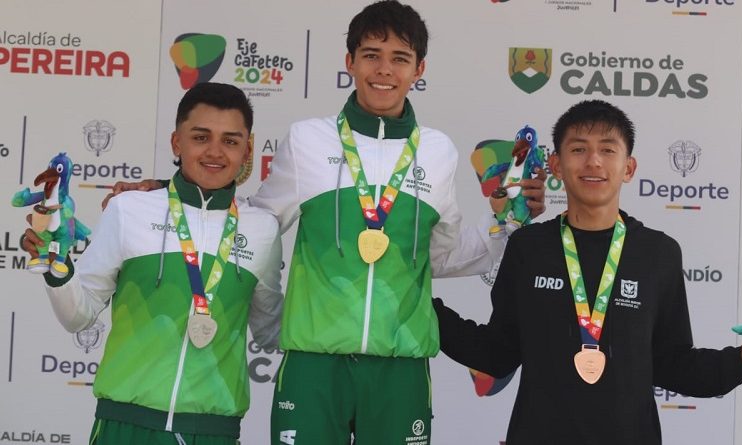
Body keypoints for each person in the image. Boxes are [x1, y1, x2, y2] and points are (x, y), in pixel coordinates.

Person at [103, 2, 547, 443]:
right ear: (350, 61)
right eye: (371, 55)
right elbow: (254, 220)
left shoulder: (437, 151)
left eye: (400, 58)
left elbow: (440, 256)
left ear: (419, 69)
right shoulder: (308, 140)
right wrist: (172, 193)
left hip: (400, 367)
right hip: (314, 365)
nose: (384, 70)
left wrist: (504, 221)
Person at [432, 99, 742, 445]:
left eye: (607, 149)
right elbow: (497, 354)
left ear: (628, 168)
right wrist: (422, 305)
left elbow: (672, 364)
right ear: (556, 166)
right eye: (578, 149)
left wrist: (741, 361)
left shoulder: (658, 253)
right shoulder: (528, 248)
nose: (593, 161)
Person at [22, 82, 283, 445]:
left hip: (214, 432)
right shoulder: (129, 209)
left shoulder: (262, 229)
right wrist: (58, 268)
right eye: (201, 137)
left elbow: (272, 330)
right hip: (124, 426)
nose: (215, 152)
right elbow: (78, 317)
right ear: (177, 143)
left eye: (230, 140)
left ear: (248, 149)